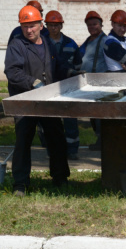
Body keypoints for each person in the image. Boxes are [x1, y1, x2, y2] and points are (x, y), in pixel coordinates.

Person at [4, 6, 70, 197]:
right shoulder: (17, 45)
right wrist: (32, 82)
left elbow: (57, 67)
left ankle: (60, 178)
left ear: (41, 25)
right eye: (25, 27)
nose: (29, 30)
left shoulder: (49, 43)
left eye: (32, 26)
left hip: (47, 100)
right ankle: (20, 184)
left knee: (56, 137)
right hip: (25, 102)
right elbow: (12, 72)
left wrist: (72, 74)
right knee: (23, 141)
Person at [44, 10, 82, 160]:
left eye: (56, 25)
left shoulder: (70, 44)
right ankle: (52, 150)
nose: (53, 28)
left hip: (68, 86)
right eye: (51, 25)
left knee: (70, 118)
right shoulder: (42, 42)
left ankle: (72, 150)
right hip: (48, 86)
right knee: (50, 120)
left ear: (61, 26)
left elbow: (78, 65)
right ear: (46, 26)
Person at [78, 11, 109, 151]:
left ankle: (103, 139)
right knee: (92, 113)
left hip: (99, 82)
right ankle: (99, 138)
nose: (92, 27)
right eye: (89, 25)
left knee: (99, 113)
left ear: (101, 25)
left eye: (95, 24)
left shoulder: (105, 40)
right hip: (88, 83)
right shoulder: (88, 40)